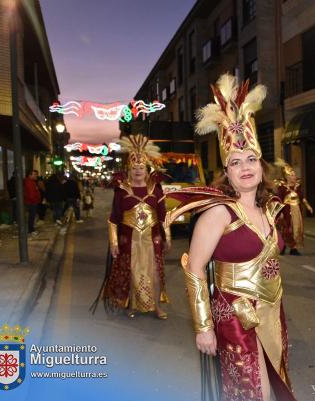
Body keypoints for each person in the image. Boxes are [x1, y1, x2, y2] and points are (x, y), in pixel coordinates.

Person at [165, 74, 297, 401]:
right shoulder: (218, 213)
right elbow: (195, 268)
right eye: (236, 163)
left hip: (270, 311)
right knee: (252, 392)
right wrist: (203, 326)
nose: (246, 167)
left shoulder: (268, 208)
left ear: (261, 165)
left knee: (274, 384)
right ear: (227, 172)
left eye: (251, 159)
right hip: (236, 316)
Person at [95, 134, 171, 320]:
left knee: (154, 274)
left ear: (147, 169)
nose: (138, 170)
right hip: (128, 240)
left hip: (152, 239)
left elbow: (163, 216)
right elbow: (113, 219)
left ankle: (156, 307)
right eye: (135, 167)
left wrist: (167, 237)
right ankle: (133, 304)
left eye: (141, 167)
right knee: (131, 273)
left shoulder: (156, 189)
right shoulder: (122, 190)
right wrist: (113, 242)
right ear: (130, 169)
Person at [274, 158, 313, 256]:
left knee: (296, 229)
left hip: (297, 211)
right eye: (292, 175)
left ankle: (293, 248)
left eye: (294, 174)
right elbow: (279, 200)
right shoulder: (282, 187)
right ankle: (284, 246)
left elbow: (302, 197)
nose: (294, 176)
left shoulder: (297, 186)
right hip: (286, 211)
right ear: (287, 177)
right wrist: (281, 212)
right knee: (287, 229)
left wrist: (308, 206)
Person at [23, 169, 41, 236]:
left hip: (31, 202)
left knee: (32, 217)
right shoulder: (29, 182)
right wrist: (35, 201)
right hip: (31, 202)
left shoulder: (32, 182)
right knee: (31, 217)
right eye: (34, 174)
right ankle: (31, 230)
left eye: (36, 174)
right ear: (30, 175)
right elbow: (31, 194)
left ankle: (31, 229)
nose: (36, 176)